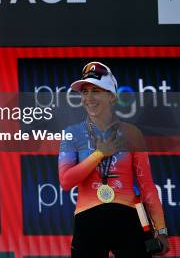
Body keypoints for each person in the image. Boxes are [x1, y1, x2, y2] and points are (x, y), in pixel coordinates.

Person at [58, 61, 169, 257]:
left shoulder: (132, 133)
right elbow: (66, 181)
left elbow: (147, 186)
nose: (89, 97)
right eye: (85, 91)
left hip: (128, 219)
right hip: (88, 221)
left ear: (111, 96)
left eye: (96, 90)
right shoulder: (72, 133)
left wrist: (160, 230)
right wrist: (99, 153)